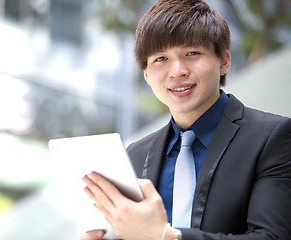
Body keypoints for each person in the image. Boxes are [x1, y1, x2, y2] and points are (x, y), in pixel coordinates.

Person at [80, 0, 291, 239]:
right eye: (161, 58)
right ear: (146, 74)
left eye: (192, 53)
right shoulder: (135, 155)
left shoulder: (272, 137)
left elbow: (272, 237)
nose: (177, 71)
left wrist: (166, 236)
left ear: (224, 61)